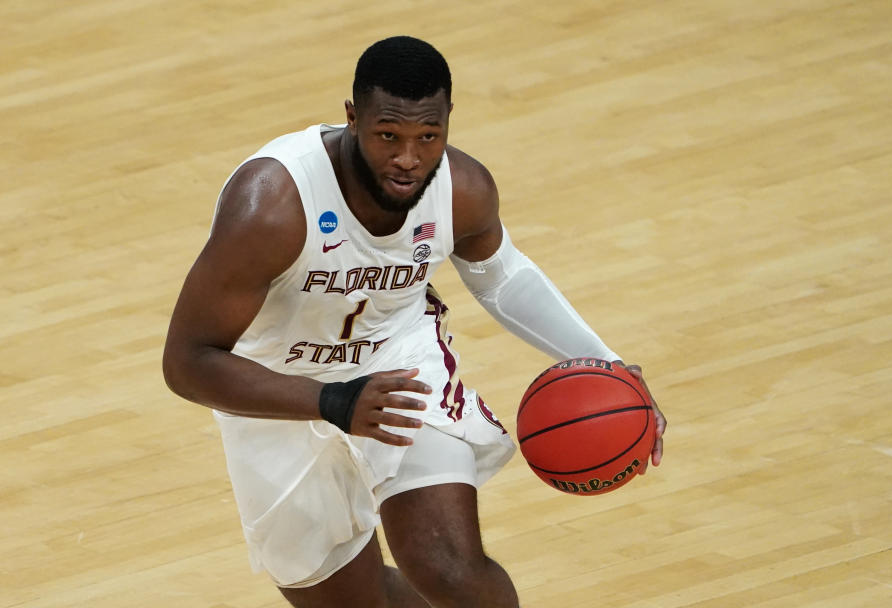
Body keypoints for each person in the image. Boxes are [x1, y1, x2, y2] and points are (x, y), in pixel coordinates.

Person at [163, 35, 666, 608]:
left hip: (396, 364)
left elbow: (500, 279)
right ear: (353, 119)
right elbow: (187, 362)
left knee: (447, 566)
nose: (408, 159)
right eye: (388, 136)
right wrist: (332, 402)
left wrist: (609, 365)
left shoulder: (463, 190)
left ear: (449, 121)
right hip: (273, 383)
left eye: (429, 137)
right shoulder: (274, 205)